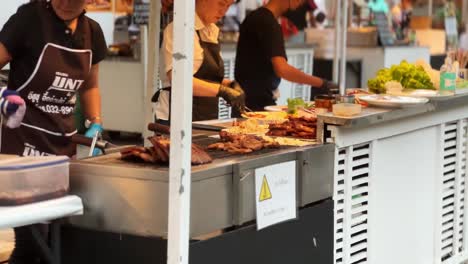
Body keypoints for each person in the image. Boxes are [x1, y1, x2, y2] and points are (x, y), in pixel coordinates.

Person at [0, 0, 107, 263]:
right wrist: (3, 94)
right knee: (32, 238)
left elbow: (90, 86)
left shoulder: (92, 32)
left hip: (61, 147)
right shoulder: (29, 18)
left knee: (53, 237)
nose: (66, 3)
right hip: (21, 145)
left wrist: (95, 120)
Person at [235, 0, 338, 111]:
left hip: (242, 102)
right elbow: (282, 69)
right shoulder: (269, 24)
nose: (300, 4)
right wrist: (322, 83)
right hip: (257, 106)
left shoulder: (253, 17)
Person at [154, 0, 245, 122]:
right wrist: (221, 90)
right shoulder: (179, 29)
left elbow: (205, 76)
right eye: (221, 3)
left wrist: (229, 85)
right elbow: (179, 80)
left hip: (207, 116)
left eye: (228, 6)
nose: (224, 11)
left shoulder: (211, 31)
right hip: (177, 118)